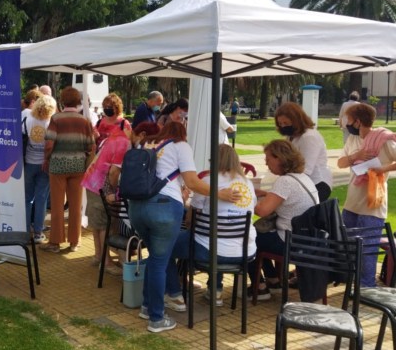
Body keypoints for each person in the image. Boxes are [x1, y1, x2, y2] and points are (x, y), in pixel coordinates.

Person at [128, 122, 240, 332]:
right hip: (163, 209)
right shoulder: (181, 146)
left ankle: (146, 306)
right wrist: (220, 193)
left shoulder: (149, 145)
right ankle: (156, 319)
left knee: (154, 258)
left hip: (137, 209)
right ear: (183, 134)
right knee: (159, 262)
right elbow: (193, 182)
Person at [165, 144, 257, 310]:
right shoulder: (248, 184)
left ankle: (174, 295)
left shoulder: (208, 182)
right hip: (244, 251)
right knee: (217, 238)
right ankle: (215, 291)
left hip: (209, 250)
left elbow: (190, 219)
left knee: (164, 247)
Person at [249, 140, 319, 300]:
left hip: (290, 241)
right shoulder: (303, 178)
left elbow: (261, 210)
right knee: (261, 236)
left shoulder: (284, 181)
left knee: (247, 239)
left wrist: (244, 200)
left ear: (280, 158)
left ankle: (260, 287)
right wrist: (267, 194)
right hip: (307, 238)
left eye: (268, 159)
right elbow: (290, 198)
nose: (266, 163)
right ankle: (273, 280)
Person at [337, 103, 396, 287]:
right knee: (348, 245)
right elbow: (340, 163)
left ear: (358, 121)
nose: (346, 123)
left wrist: (381, 169)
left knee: (368, 249)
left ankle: (366, 288)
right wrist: (358, 155)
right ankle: (349, 280)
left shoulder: (383, 139)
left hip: (373, 203)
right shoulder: (353, 140)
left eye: (349, 120)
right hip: (352, 202)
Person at [41, 87, 95, 253]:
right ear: (78, 101)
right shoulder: (84, 121)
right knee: (76, 205)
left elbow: (49, 143)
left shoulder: (56, 119)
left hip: (58, 166)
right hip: (78, 167)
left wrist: (47, 158)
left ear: (63, 100)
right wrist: (86, 163)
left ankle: (55, 242)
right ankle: (75, 242)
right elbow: (91, 146)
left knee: (57, 205)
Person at [81, 126, 130, 275]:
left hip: (92, 181)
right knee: (104, 225)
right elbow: (114, 172)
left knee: (97, 223)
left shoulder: (115, 138)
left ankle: (98, 256)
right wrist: (112, 192)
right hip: (100, 186)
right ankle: (107, 262)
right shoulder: (125, 144)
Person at [274, 102, 332, 201]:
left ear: (296, 120)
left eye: (286, 123)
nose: (283, 126)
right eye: (280, 124)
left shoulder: (309, 137)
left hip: (317, 184)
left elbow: (305, 169)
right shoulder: (292, 136)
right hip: (302, 183)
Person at [23, 95, 56, 243]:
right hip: (45, 164)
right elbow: (51, 144)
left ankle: (24, 230)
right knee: (42, 199)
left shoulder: (28, 118)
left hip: (29, 162)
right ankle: (38, 232)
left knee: (27, 198)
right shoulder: (51, 122)